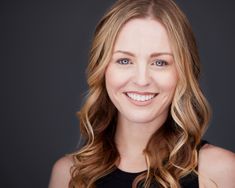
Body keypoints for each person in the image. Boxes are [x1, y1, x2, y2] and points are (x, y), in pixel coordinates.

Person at [48, 0, 235, 187]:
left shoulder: (219, 171)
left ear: (183, 72)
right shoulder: (68, 174)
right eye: (124, 61)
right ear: (102, 68)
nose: (142, 80)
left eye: (160, 62)